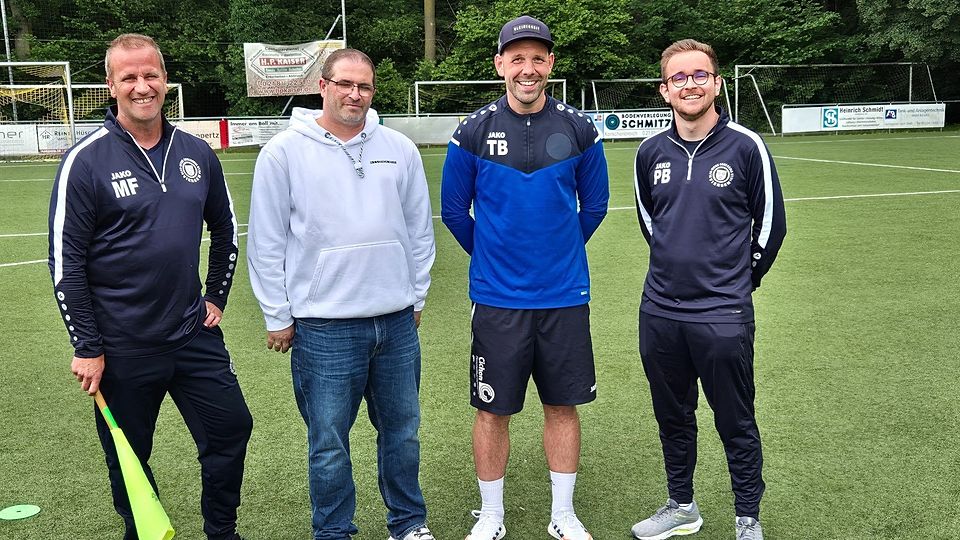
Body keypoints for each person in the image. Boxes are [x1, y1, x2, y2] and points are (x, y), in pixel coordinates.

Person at [48, 33, 251, 540]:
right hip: (121, 347)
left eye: (151, 75)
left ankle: (221, 532)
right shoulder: (86, 160)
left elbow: (225, 230)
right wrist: (87, 346)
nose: (143, 86)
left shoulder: (196, 153)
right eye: (129, 77)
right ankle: (142, 532)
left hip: (191, 334)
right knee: (129, 455)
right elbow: (65, 261)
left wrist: (216, 297)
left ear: (165, 79)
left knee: (231, 428)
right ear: (111, 86)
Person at [246, 48, 436, 540]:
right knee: (329, 442)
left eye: (365, 86)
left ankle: (408, 524)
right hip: (323, 326)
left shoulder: (399, 147)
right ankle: (333, 531)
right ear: (323, 86)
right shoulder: (284, 152)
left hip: (395, 324)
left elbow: (419, 230)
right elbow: (266, 241)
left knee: (403, 434)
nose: (356, 94)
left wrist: (416, 296)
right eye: (345, 84)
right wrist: (276, 314)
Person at [441, 15, 609, 540]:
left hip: (563, 297)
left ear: (551, 64)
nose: (528, 69)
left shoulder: (579, 128)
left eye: (538, 59)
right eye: (517, 59)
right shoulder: (471, 130)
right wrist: (497, 256)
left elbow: (596, 206)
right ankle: (492, 516)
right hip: (496, 299)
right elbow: (452, 211)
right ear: (500, 65)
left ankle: (564, 516)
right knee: (493, 410)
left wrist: (555, 253)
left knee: (563, 405)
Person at [630, 39, 787, 540]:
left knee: (735, 419)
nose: (690, 84)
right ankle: (682, 506)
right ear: (664, 89)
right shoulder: (649, 151)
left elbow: (771, 226)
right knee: (673, 416)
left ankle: (747, 518)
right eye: (679, 77)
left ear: (717, 83)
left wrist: (739, 280)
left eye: (700, 74)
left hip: (722, 312)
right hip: (659, 311)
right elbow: (650, 222)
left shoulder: (745, 145)